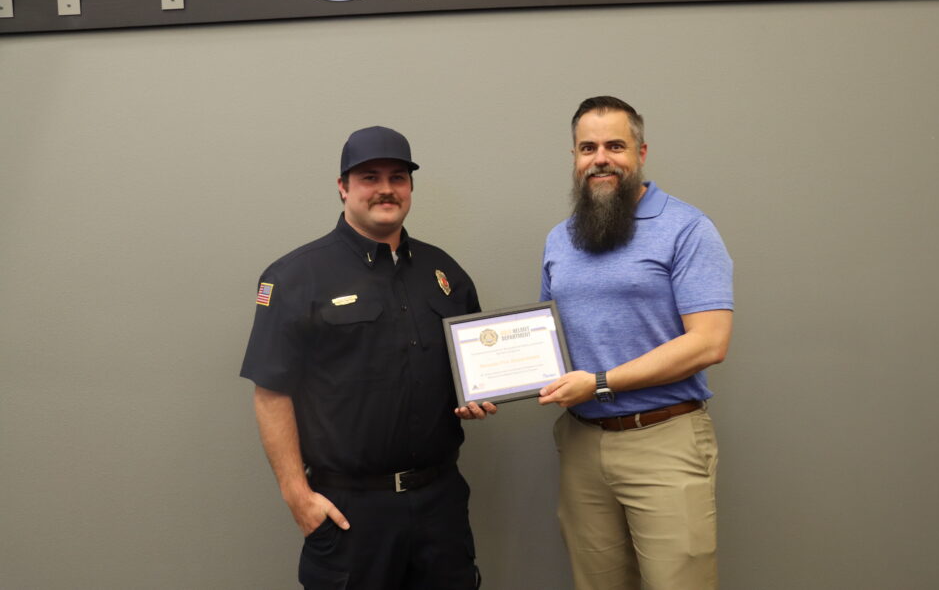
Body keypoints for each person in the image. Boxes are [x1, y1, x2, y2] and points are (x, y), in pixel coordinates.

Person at [240, 126, 495, 590]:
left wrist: (478, 395)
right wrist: (297, 495)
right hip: (351, 512)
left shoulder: (445, 273)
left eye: (398, 177)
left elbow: (469, 370)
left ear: (411, 187)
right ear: (343, 186)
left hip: (440, 502)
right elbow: (270, 392)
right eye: (369, 177)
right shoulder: (296, 277)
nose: (385, 189)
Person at [538, 96, 734, 590]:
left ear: (641, 152)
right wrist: (486, 390)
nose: (600, 158)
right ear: (574, 158)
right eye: (587, 147)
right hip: (582, 443)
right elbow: (547, 340)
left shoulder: (688, 229)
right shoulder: (560, 239)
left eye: (614, 146)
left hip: (664, 440)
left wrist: (600, 383)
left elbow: (708, 343)